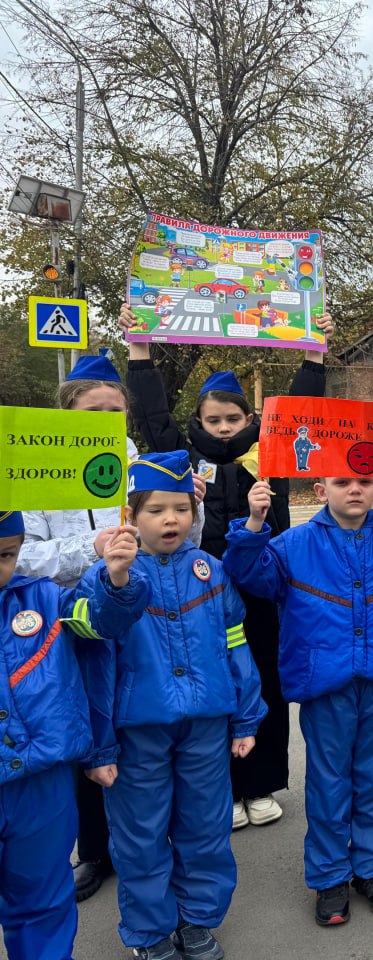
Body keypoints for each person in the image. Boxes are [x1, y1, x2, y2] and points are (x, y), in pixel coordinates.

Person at [121, 302, 334, 831]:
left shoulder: (273, 452)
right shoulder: (181, 458)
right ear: (198, 422)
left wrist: (313, 351)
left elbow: (303, 407)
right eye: (213, 420)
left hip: (262, 589)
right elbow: (152, 417)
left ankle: (259, 783)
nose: (222, 429)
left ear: (249, 420)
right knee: (213, 682)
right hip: (198, 593)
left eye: (232, 419)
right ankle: (220, 785)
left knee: (262, 680)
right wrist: (140, 352)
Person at [17, 351, 206, 904]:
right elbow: (20, 557)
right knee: (84, 731)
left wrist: (186, 512)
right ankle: (95, 851)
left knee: (135, 728)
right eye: (92, 411)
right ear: (68, 412)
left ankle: (147, 841)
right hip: (69, 621)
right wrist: (90, 548)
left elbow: (180, 546)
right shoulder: (36, 467)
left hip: (142, 618)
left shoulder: (139, 467)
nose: (104, 421)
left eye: (113, 412)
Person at [222, 472, 373, 926]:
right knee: (328, 782)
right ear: (320, 492)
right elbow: (246, 574)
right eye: (342, 482)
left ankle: (372, 868)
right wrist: (255, 523)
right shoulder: (291, 545)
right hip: (324, 684)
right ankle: (329, 876)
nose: (354, 490)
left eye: (364, 481)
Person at [85, 451, 266, 960]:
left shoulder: (209, 569)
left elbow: (235, 641)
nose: (171, 520)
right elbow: (95, 654)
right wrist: (100, 749)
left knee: (205, 828)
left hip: (206, 725)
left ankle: (197, 919)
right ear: (130, 515)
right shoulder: (109, 574)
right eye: (156, 510)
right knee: (140, 836)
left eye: (181, 509)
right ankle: (148, 931)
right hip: (137, 730)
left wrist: (246, 715)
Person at [0, 510, 144, 960]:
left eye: (5, 555)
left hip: (42, 784)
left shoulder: (43, 598)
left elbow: (97, 621)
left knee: (42, 902)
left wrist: (115, 582)